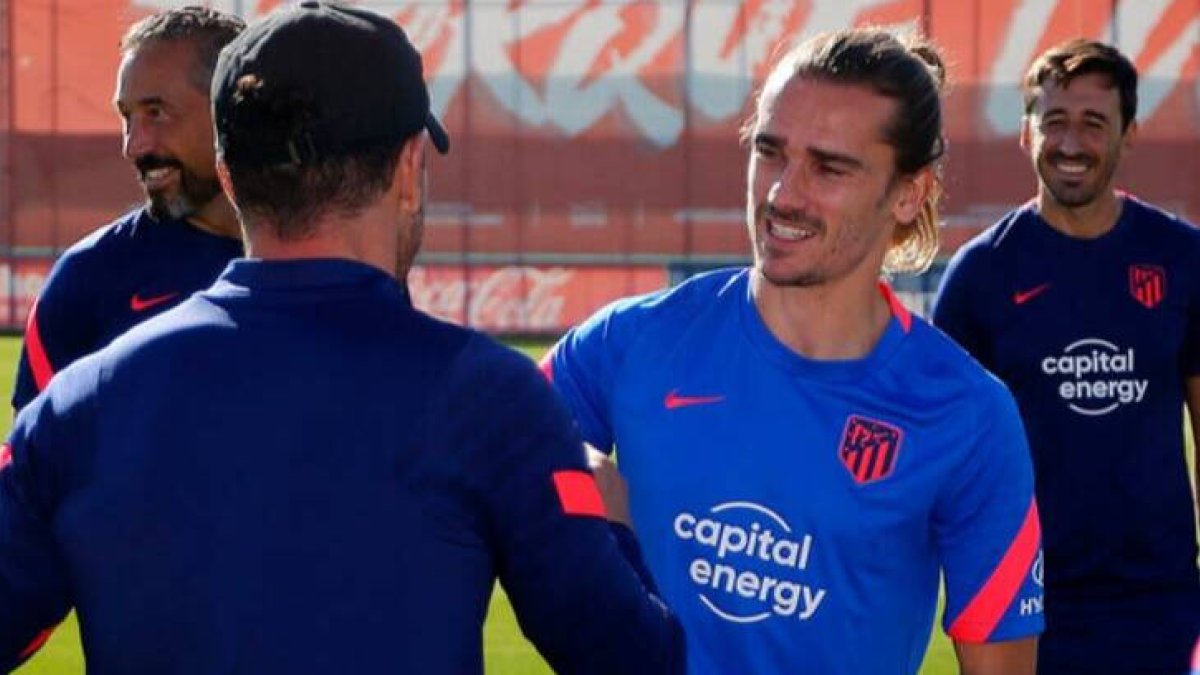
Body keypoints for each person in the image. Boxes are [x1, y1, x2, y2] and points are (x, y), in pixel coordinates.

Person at [0, 3, 684, 673]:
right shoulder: (492, 400)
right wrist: (616, 523)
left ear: (232, 176)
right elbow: (630, 657)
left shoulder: (78, 406)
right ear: (411, 168)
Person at [541, 28, 1043, 675]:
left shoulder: (968, 415)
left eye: (829, 167)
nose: (782, 194)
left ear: (909, 193)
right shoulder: (632, 340)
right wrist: (603, 508)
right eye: (770, 152)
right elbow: (498, 443)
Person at [933, 38, 1200, 674]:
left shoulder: (1183, 261)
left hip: (1162, 603)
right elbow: (942, 449)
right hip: (1023, 602)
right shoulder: (982, 275)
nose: (1071, 143)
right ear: (1027, 133)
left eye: (1093, 123)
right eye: (1054, 122)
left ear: (1128, 134)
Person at [11, 6, 245, 411]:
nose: (133, 146)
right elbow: (33, 465)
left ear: (230, 107)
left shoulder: (323, 256)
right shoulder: (89, 278)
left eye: (156, 113)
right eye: (127, 118)